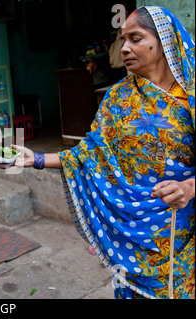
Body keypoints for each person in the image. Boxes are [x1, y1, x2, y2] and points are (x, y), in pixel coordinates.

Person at [12, 6, 195, 299]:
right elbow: (91, 155)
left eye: (135, 38)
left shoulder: (191, 96)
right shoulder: (117, 98)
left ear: (164, 41)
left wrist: (188, 187)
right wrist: (35, 158)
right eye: (122, 40)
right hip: (131, 236)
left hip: (182, 230)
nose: (124, 48)